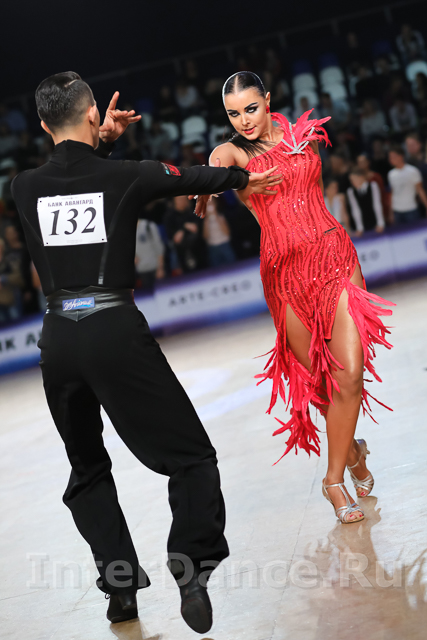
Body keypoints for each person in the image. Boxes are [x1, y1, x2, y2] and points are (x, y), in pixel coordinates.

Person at [10, 71, 280, 633]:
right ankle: (191, 569)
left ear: (42, 125)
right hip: (114, 330)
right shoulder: (128, 175)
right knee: (192, 458)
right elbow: (196, 176)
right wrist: (244, 175)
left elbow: (76, 182)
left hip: (57, 340)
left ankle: (120, 591)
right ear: (93, 114)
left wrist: (99, 143)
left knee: (87, 470)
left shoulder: (23, 186)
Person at [193, 71, 395, 526]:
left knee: (350, 374)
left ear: (268, 100)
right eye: (233, 114)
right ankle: (354, 452)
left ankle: (333, 481)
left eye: (251, 108)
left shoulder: (301, 134)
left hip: (334, 256)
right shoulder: (235, 154)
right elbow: (218, 164)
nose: (244, 120)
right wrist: (209, 182)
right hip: (284, 275)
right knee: (322, 387)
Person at [388, 145, 427, 224]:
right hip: (397, 210)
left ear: (401, 156)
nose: (391, 159)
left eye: (394, 156)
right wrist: (390, 212)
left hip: (411, 209)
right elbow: (393, 193)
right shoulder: (391, 174)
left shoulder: (412, 171)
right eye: (390, 157)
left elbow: (420, 190)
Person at [346, 168, 385, 234]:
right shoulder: (351, 191)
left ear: (361, 177)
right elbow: (355, 209)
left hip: (375, 222)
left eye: (353, 179)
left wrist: (380, 223)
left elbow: (377, 204)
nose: (352, 182)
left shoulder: (373, 186)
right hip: (363, 224)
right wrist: (359, 227)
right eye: (351, 180)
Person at [203, 198, 236, 267]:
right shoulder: (205, 221)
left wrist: (216, 216)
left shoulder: (221, 217)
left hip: (225, 245)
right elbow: (205, 236)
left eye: (211, 204)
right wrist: (207, 219)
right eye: (207, 204)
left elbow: (227, 232)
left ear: (215, 204)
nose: (210, 206)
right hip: (213, 247)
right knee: (216, 267)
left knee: (232, 266)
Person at [134, 219, 165, 292]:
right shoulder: (125, 231)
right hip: (141, 270)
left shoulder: (148, 226)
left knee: (163, 292)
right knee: (148, 294)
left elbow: (159, 247)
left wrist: (160, 268)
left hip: (155, 267)